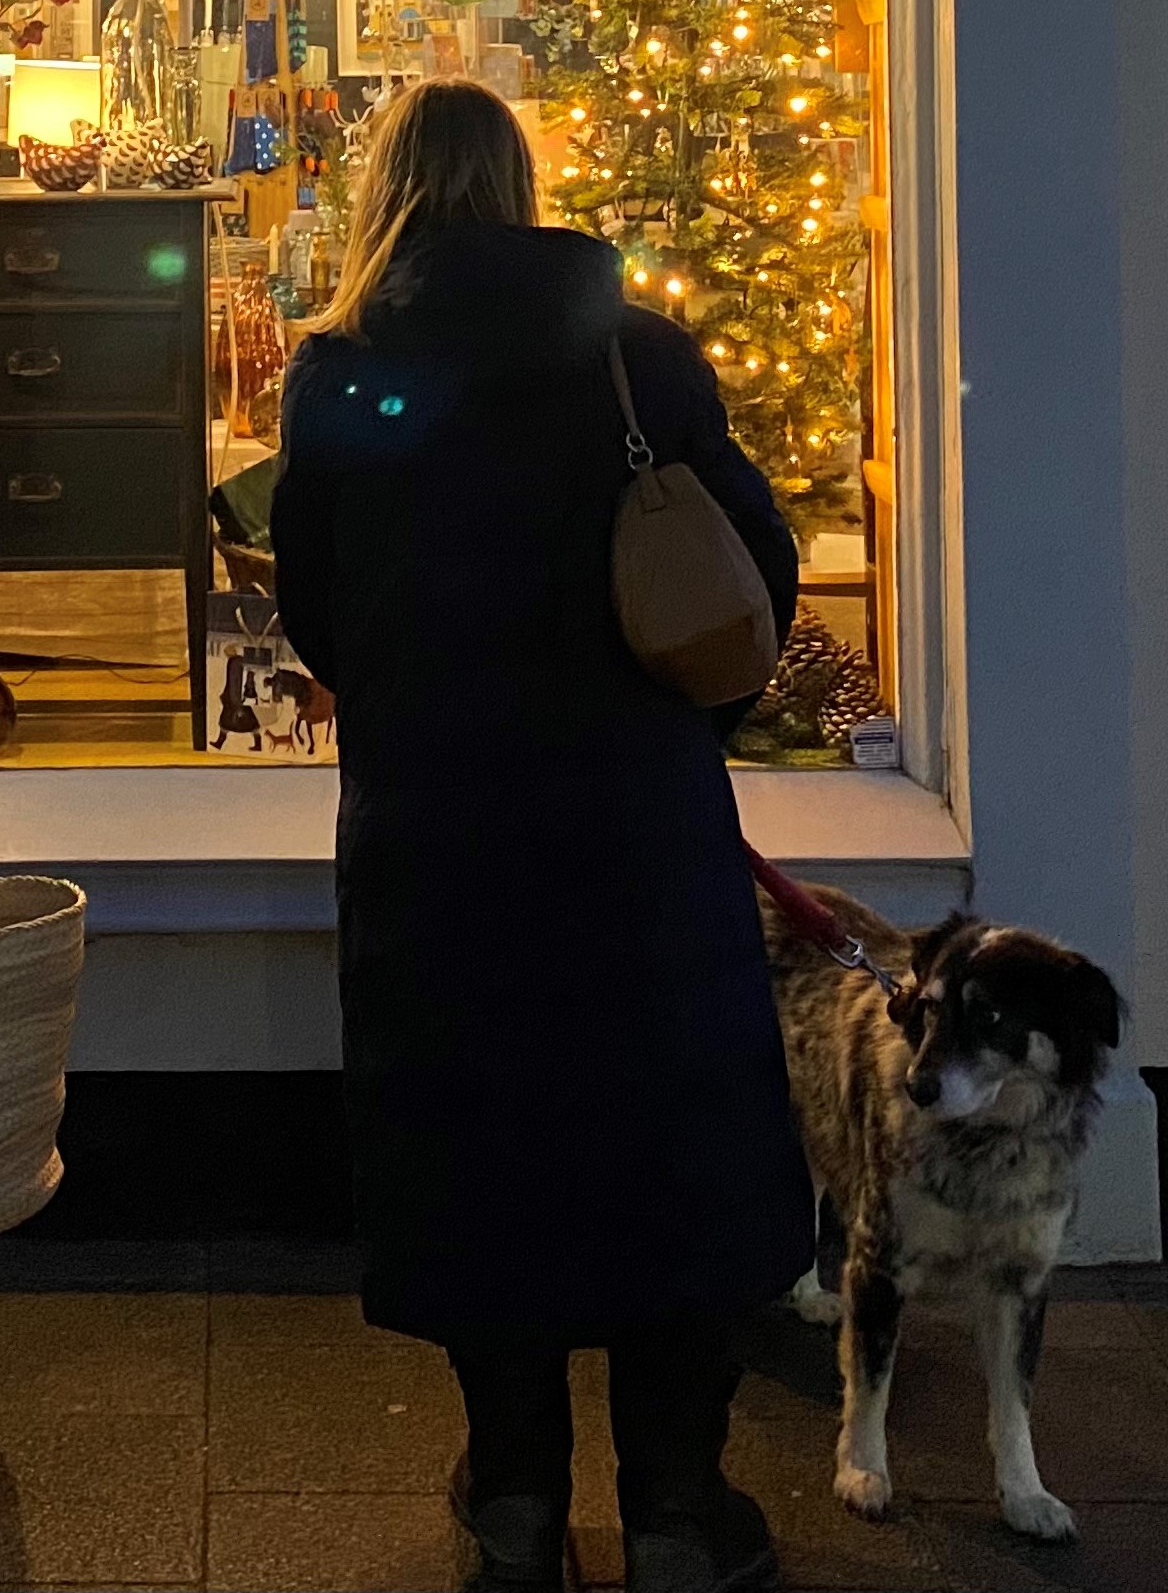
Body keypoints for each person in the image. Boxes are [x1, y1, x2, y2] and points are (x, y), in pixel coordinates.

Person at [271, 79, 813, 1593]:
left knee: (475, 1142)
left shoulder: (344, 379)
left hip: (440, 831)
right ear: (522, 188)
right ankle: (676, 1504)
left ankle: (514, 1493)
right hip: (630, 825)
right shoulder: (638, 360)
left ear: (387, 193)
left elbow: (317, 607)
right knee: (666, 1141)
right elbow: (747, 575)